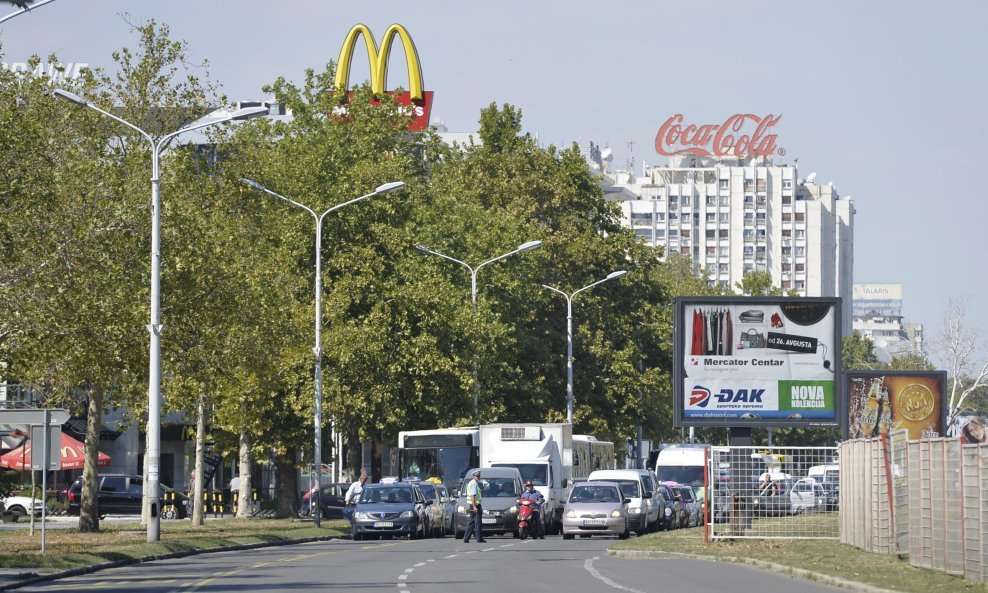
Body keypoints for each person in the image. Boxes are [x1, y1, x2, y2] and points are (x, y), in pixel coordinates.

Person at [462, 470, 486, 543]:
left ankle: (466, 538)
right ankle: (479, 538)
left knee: (472, 521)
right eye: (476, 476)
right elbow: (473, 495)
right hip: (475, 505)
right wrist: (474, 506)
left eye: (478, 476)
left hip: (475, 504)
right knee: (477, 522)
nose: (478, 477)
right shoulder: (473, 484)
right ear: (473, 476)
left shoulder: (474, 483)